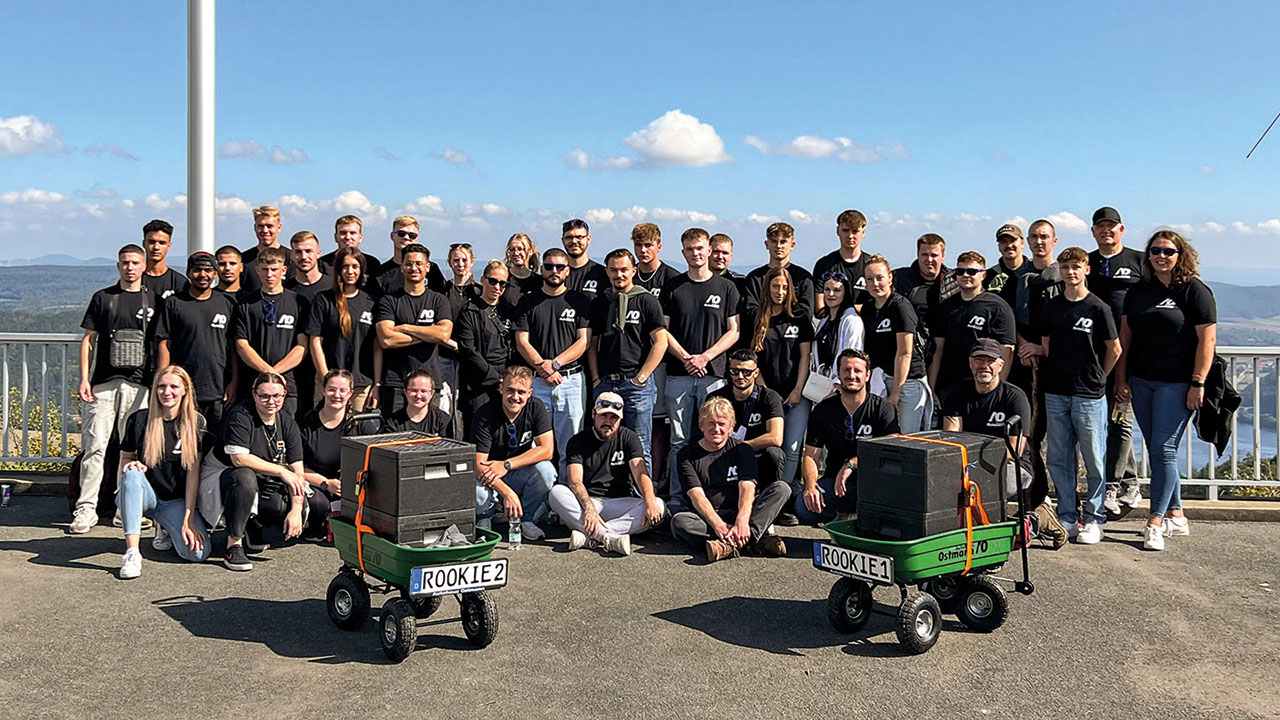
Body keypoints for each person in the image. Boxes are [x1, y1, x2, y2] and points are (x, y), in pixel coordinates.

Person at [1115, 230, 1217, 551]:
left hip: (1178, 384)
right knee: (1158, 450)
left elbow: (1207, 341)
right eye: (1155, 251)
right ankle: (1177, 513)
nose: (1161, 256)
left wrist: (1198, 381)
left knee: (1163, 449)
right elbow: (1125, 339)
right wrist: (1121, 379)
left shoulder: (1194, 291)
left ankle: (1155, 521)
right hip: (1142, 381)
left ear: (1180, 255)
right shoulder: (1139, 292)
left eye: (1168, 251)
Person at [71, 244, 157, 534]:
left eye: (135, 262)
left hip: (140, 384)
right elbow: (88, 341)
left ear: (144, 266)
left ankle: (126, 509)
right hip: (103, 384)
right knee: (94, 447)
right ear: (118, 266)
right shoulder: (103, 298)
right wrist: (84, 378)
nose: (130, 267)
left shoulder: (154, 300)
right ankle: (86, 509)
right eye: (125, 262)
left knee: (130, 452)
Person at [1040, 247, 1121, 545]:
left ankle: (1095, 517)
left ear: (1086, 269)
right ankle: (1067, 515)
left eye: (1076, 267)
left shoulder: (1098, 308)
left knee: (1094, 460)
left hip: (1089, 394)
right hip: (1056, 391)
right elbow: (1047, 346)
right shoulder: (1052, 307)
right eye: (1065, 268)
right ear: (1059, 271)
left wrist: (1100, 376)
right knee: (1059, 458)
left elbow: (1114, 349)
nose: (1070, 272)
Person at [661, 228, 742, 508]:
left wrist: (705, 357)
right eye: (689, 249)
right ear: (683, 253)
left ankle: (716, 498)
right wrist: (686, 357)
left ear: (709, 250)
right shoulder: (673, 287)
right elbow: (663, 331)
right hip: (678, 375)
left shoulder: (726, 288)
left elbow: (733, 332)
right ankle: (676, 499)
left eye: (700, 248)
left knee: (716, 437)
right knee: (678, 441)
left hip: (713, 376)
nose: (695, 253)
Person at [199, 372, 309, 572]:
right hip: (224, 475)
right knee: (245, 477)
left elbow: (297, 470)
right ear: (254, 394)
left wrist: (296, 510)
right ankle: (234, 545)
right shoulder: (241, 415)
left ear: (284, 395)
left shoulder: (287, 422)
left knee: (296, 510)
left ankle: (252, 527)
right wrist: (281, 472)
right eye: (264, 396)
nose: (271, 401)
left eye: (277, 396)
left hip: (263, 478)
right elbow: (239, 459)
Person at [940, 339, 1047, 540]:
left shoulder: (1015, 397)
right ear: (970, 363)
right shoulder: (956, 392)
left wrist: (973, 462)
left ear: (1001, 365)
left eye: (990, 360)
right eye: (978, 359)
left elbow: (1014, 449)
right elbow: (951, 439)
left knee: (982, 487)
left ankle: (1037, 519)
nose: (984, 365)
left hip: (1013, 466)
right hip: (968, 465)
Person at [115, 366, 212, 578]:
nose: (167, 392)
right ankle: (132, 552)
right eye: (161, 386)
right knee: (131, 473)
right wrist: (133, 465)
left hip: (175, 501)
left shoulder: (197, 422)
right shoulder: (139, 419)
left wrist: (189, 518)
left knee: (198, 553)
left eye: (173, 387)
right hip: (145, 495)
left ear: (185, 390)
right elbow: (127, 457)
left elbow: (193, 474)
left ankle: (165, 526)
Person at [671, 397, 790, 562]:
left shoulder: (742, 449)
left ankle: (731, 543)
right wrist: (719, 525)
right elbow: (697, 496)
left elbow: (747, 488)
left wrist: (742, 521)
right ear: (701, 425)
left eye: (722, 424)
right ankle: (753, 542)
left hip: (742, 513)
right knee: (680, 522)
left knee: (782, 488)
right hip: (709, 516)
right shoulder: (687, 455)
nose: (716, 429)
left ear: (730, 428)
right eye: (711, 423)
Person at [549, 392, 666, 556]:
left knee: (658, 505)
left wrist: (650, 500)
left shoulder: (629, 438)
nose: (608, 422)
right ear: (593, 414)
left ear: (621, 418)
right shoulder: (578, 440)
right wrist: (589, 508)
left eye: (613, 418)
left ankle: (591, 537)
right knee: (556, 493)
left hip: (620, 502)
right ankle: (608, 538)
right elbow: (575, 481)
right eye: (604, 416)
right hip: (589, 502)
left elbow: (641, 474)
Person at [588, 248, 667, 474]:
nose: (619, 275)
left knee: (640, 446)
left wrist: (641, 378)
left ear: (633, 270)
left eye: (624, 270)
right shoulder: (600, 303)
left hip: (636, 386)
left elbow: (660, 342)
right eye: (613, 270)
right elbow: (592, 344)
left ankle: (645, 500)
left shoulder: (647, 301)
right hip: (605, 382)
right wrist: (595, 379)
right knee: (602, 442)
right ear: (607, 272)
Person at [1087, 206, 1145, 515]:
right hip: (1095, 355)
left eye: (1112, 226)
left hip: (1129, 355)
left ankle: (1112, 484)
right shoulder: (1088, 262)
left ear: (1121, 230)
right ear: (1093, 231)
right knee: (1111, 421)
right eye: (1100, 227)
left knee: (1121, 418)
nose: (1106, 231)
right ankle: (1132, 483)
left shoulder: (1138, 260)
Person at [799, 349, 899, 525]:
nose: (851, 375)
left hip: (873, 485)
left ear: (867, 375)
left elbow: (892, 449)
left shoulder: (883, 409)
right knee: (803, 507)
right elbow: (810, 456)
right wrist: (811, 486)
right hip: (835, 483)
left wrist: (851, 464)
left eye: (857, 371)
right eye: (846, 370)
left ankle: (854, 519)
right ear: (838, 374)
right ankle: (842, 518)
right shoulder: (823, 410)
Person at [514, 247, 590, 467]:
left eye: (559, 267)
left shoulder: (579, 301)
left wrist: (555, 364)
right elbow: (522, 342)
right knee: (534, 444)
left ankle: (568, 493)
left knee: (572, 444)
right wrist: (544, 368)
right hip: (537, 382)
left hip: (571, 381)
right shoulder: (527, 302)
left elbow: (583, 341)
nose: (554, 271)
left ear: (567, 271)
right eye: (549, 266)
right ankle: (538, 495)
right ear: (541, 269)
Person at [472, 367, 558, 541]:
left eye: (521, 392)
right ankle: (485, 519)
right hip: (489, 475)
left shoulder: (536, 407)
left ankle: (526, 519)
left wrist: (506, 464)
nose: (515, 397)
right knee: (476, 491)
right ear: (501, 388)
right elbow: (479, 465)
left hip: (513, 469)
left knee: (547, 471)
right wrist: (508, 493)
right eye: (510, 390)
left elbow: (547, 450)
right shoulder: (485, 413)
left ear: (529, 393)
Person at [156, 251, 238, 430]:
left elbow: (233, 347)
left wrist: (234, 382)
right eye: (197, 270)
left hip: (218, 389)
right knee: (184, 441)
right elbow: (164, 344)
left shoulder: (226, 304)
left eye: (208, 270)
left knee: (214, 442)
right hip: (182, 389)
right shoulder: (174, 303)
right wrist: (163, 382)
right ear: (188, 273)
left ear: (215, 274)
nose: (203, 275)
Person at [750, 266, 814, 491]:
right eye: (776, 286)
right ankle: (764, 492)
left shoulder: (800, 317)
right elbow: (753, 359)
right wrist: (765, 390)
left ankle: (782, 496)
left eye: (785, 287)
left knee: (793, 447)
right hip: (767, 394)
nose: (780, 291)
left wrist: (797, 389)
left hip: (796, 394)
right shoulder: (758, 319)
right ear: (767, 288)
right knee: (769, 447)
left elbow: (805, 358)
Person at [374, 242, 453, 415]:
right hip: (395, 383)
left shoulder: (439, 300)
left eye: (418, 263)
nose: (413, 268)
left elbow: (444, 334)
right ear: (402, 267)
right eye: (408, 263)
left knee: (430, 440)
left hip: (429, 383)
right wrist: (429, 333)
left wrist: (404, 328)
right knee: (393, 439)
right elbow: (386, 339)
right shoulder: (389, 301)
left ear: (428, 267)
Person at [928, 251, 1015, 402]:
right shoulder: (946, 307)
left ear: (983, 275)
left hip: (982, 384)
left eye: (972, 271)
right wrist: (931, 386)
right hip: (949, 386)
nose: (965, 275)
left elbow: (1007, 351)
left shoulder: (998, 307)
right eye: (960, 271)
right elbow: (938, 350)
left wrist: (997, 389)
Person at [231, 246, 307, 416]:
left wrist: (276, 374)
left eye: (274, 269)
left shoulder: (298, 302)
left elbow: (302, 346)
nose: (269, 274)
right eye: (265, 269)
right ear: (257, 270)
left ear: (284, 270)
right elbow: (242, 345)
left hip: (287, 385)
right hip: (252, 385)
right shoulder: (245, 304)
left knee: (286, 434)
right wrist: (268, 372)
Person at [708, 350, 787, 510]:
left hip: (755, 453)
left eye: (746, 372)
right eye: (735, 371)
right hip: (722, 453)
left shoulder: (769, 397)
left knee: (775, 454)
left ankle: (770, 507)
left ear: (756, 373)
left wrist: (740, 448)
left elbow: (776, 437)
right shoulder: (717, 397)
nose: (740, 376)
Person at [861, 254, 930, 433]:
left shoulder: (900, 306)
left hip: (908, 381)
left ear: (889, 278)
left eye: (879, 278)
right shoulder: (868, 308)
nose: (875, 284)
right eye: (870, 279)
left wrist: (896, 394)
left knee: (908, 437)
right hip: (882, 379)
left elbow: (904, 353)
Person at [306, 246, 380, 412]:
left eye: (355, 266)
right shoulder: (324, 299)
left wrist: (377, 383)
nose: (350, 271)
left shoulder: (371, 302)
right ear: (338, 270)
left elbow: (376, 346)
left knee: (357, 435)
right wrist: (325, 377)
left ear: (362, 270)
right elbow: (315, 340)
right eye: (345, 266)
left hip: (361, 384)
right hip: (330, 382)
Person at [455, 260, 515, 428]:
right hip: (478, 383)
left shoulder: (509, 310)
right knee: (478, 430)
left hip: (507, 378)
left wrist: (509, 378)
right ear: (483, 280)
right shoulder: (470, 311)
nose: (497, 287)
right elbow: (468, 350)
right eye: (493, 281)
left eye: (503, 284)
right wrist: (496, 378)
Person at [894, 233, 957, 378]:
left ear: (943, 256)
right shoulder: (899, 279)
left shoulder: (956, 282)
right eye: (924, 255)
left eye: (934, 255)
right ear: (917, 254)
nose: (929, 260)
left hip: (947, 358)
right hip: (911, 358)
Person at [285, 230, 327, 414]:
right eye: (298, 252)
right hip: (294, 374)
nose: (304, 256)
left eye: (309, 251)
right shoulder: (285, 291)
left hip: (325, 370)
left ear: (318, 253)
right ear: (292, 255)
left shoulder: (332, 288)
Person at [744, 222, 815, 319]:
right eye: (774, 241)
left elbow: (806, 311)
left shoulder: (803, 278)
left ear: (792, 245)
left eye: (783, 242)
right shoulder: (754, 278)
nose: (778, 246)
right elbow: (750, 310)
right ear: (767, 244)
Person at [439, 243, 479, 410]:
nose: (460, 264)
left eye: (464, 260)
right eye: (456, 260)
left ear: (472, 261)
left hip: (472, 358)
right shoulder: (442, 292)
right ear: (449, 262)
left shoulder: (479, 292)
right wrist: (453, 344)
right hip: (446, 356)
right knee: (445, 405)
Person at [812, 270, 864, 385]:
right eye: (827, 290)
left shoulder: (852, 321)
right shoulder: (823, 323)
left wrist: (838, 385)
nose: (831, 294)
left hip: (841, 387)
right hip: (821, 385)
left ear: (845, 293)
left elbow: (852, 356)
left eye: (837, 290)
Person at [813, 209, 871, 312]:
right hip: (834, 325)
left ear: (863, 232)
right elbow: (819, 309)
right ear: (838, 231)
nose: (850, 236)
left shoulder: (871, 266)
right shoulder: (824, 265)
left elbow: (880, 305)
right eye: (845, 230)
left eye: (855, 231)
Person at [372, 216, 447, 297]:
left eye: (412, 235)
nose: (406, 238)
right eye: (401, 234)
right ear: (392, 236)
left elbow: (441, 297)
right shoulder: (380, 274)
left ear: (417, 239)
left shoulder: (431, 269)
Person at [240, 206, 295, 296]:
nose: (265, 231)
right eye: (261, 226)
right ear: (255, 227)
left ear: (279, 228)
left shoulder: (291, 258)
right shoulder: (245, 259)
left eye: (270, 226)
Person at [386, 370, 453, 436]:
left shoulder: (442, 420)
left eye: (424, 391)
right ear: (405, 392)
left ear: (432, 393)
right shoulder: (392, 422)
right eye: (414, 391)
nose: (418, 395)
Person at [318, 214, 380, 280]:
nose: (348, 237)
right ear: (336, 237)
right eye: (343, 233)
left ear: (360, 237)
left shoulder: (372, 263)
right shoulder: (322, 264)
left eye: (352, 233)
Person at [985, 223, 1031, 309]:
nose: (1009, 245)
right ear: (999, 246)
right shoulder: (988, 276)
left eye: (1012, 240)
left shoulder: (1034, 272)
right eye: (1003, 242)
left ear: (1022, 243)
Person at [140, 219, 188, 300]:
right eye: (151, 242)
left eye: (162, 243)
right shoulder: (134, 280)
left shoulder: (180, 283)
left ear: (169, 245)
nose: (156, 247)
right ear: (144, 243)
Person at [560, 218, 609, 297]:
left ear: (588, 239)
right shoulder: (556, 273)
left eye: (579, 237)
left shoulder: (602, 274)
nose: (574, 241)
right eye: (569, 237)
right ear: (563, 240)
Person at [631, 222, 680, 298]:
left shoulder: (672, 278)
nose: (643, 250)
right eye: (638, 245)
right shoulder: (628, 276)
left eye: (648, 245)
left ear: (659, 247)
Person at [502, 232, 542, 306]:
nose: (516, 253)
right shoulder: (503, 280)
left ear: (530, 252)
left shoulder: (540, 282)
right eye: (512, 250)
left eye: (520, 249)